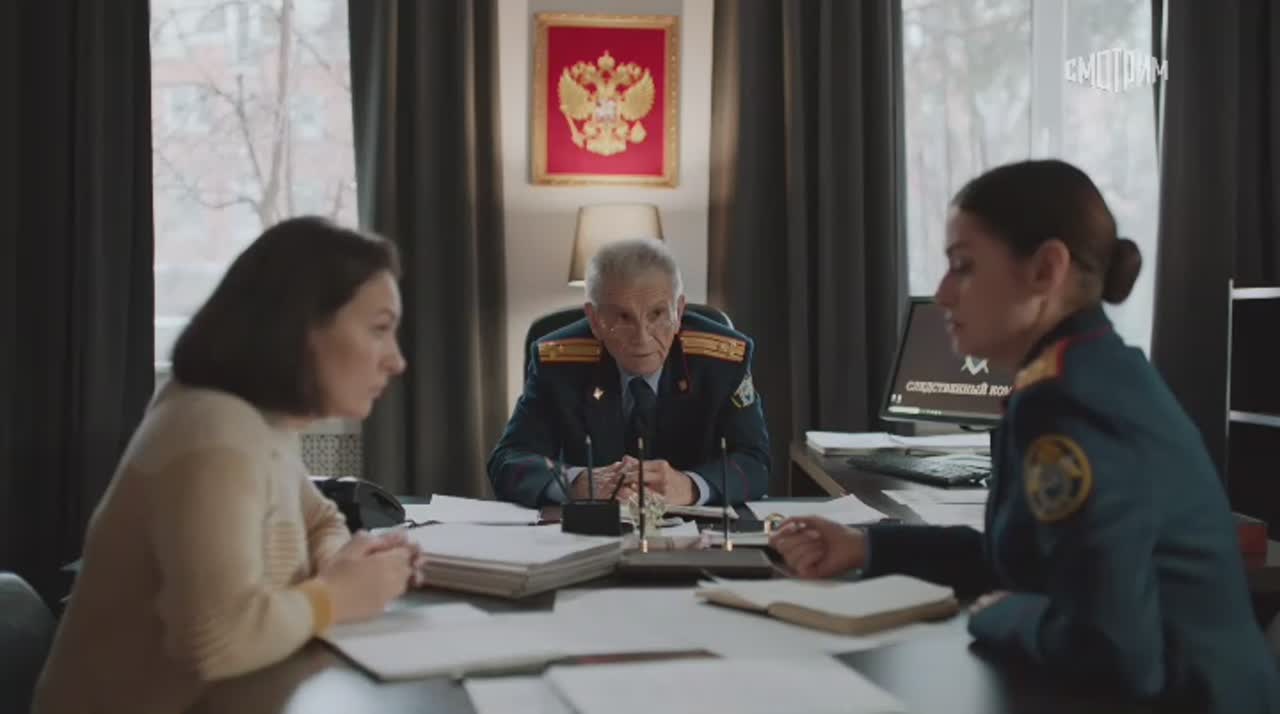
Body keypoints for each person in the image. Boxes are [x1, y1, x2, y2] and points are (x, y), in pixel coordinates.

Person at [770, 160, 1280, 712]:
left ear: (1045, 269)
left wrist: (1000, 614)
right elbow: (1021, 559)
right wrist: (865, 546)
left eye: (963, 266)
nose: (942, 293)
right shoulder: (1081, 375)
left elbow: (1110, 647)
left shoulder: (1073, 402)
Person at [34, 217, 420, 714]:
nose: (396, 360)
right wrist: (337, 595)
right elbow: (214, 641)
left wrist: (340, 565)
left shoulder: (264, 423)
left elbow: (321, 518)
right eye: (380, 329)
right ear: (302, 326)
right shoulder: (212, 433)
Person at [488, 237, 770, 508]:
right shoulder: (558, 364)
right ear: (595, 320)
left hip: (698, 531)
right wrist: (575, 483)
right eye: (623, 317)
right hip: (592, 530)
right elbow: (509, 459)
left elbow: (755, 461)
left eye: (657, 314)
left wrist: (691, 486)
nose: (642, 338)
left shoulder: (722, 361)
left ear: (678, 311)